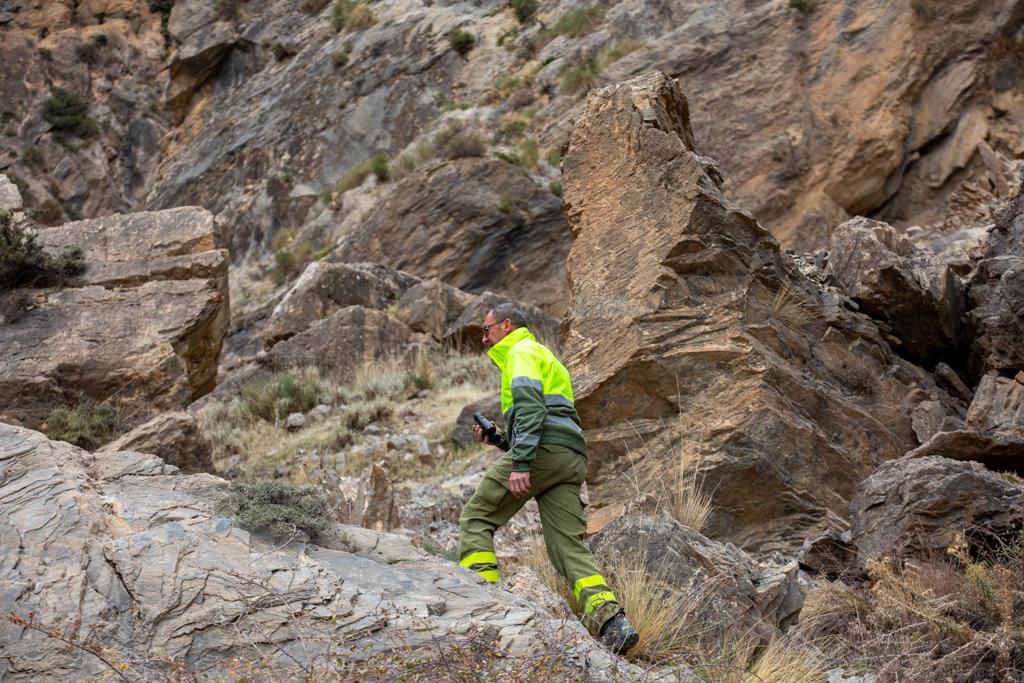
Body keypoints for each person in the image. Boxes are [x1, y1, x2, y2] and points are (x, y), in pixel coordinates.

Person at [457, 303, 639, 655]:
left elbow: (530, 410)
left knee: (476, 518)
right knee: (567, 547)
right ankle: (611, 621)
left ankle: (482, 608)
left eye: (486, 329)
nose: (483, 338)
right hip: (569, 457)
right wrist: (499, 438)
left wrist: (521, 463)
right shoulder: (544, 356)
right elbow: (548, 416)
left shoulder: (519, 352)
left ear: (507, 325)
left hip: (542, 452)